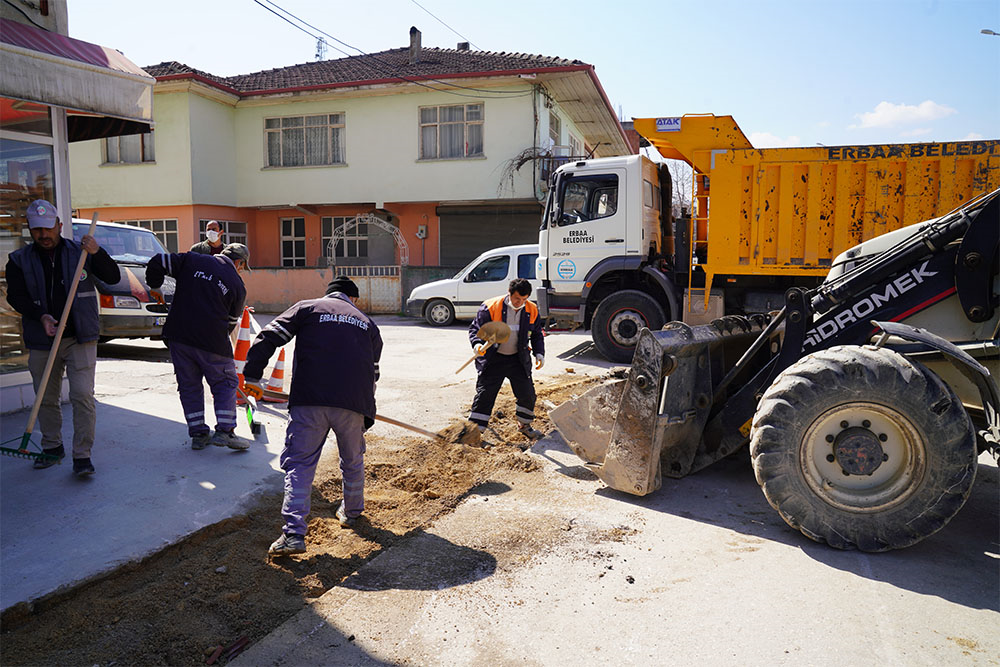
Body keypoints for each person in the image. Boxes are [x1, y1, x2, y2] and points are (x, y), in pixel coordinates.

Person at [243, 275, 382, 556]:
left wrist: (253, 375)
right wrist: (366, 412)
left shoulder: (307, 308)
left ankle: (293, 534)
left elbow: (269, 336)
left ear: (329, 294)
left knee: (300, 464)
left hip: (310, 401)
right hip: (354, 404)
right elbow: (373, 373)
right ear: (352, 299)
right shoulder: (367, 323)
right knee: (353, 460)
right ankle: (352, 512)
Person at [5, 200, 121, 476]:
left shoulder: (80, 252)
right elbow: (15, 296)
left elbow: (113, 278)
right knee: (45, 396)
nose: (44, 235)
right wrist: (41, 316)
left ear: (59, 225)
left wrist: (98, 252)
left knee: (82, 395)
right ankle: (51, 447)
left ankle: (82, 455)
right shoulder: (19, 260)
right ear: (30, 231)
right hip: (42, 338)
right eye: (37, 231)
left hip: (80, 336)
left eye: (48, 229)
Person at [146, 243, 250, 451]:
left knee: (189, 385)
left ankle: (198, 435)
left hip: (179, 336)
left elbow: (158, 261)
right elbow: (230, 323)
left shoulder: (192, 260)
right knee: (225, 383)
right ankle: (225, 431)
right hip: (212, 342)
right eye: (243, 267)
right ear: (239, 263)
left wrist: (155, 287)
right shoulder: (237, 285)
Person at [468, 278, 545, 443]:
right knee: (485, 395)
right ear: (510, 294)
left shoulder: (531, 309)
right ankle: (474, 432)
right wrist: (478, 344)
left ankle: (524, 425)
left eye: (524, 299)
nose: (520, 303)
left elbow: (537, 333)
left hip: (518, 359)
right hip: (493, 359)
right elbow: (476, 329)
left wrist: (539, 353)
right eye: (517, 299)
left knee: (527, 394)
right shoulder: (490, 307)